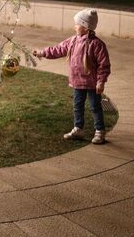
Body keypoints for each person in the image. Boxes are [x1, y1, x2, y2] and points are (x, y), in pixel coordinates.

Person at [33, 9, 111, 144]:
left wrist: (101, 81)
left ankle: (100, 131)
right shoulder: (73, 41)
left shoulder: (97, 45)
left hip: (92, 83)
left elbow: (104, 65)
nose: (74, 26)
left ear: (86, 27)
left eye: (77, 24)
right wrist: (42, 52)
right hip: (77, 82)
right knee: (77, 105)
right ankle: (78, 129)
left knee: (95, 106)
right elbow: (58, 49)